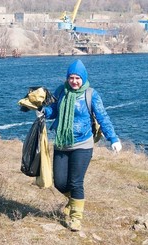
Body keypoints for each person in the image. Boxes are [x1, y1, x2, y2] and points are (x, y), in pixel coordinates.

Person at [41, 59, 122, 231]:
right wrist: (43, 111)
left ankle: (76, 218)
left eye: (78, 78)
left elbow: (103, 117)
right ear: (67, 78)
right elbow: (54, 110)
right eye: (71, 77)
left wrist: (113, 139)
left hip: (83, 144)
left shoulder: (91, 94)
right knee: (60, 183)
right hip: (62, 143)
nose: (74, 81)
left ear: (83, 78)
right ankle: (74, 201)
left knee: (76, 182)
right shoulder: (61, 91)